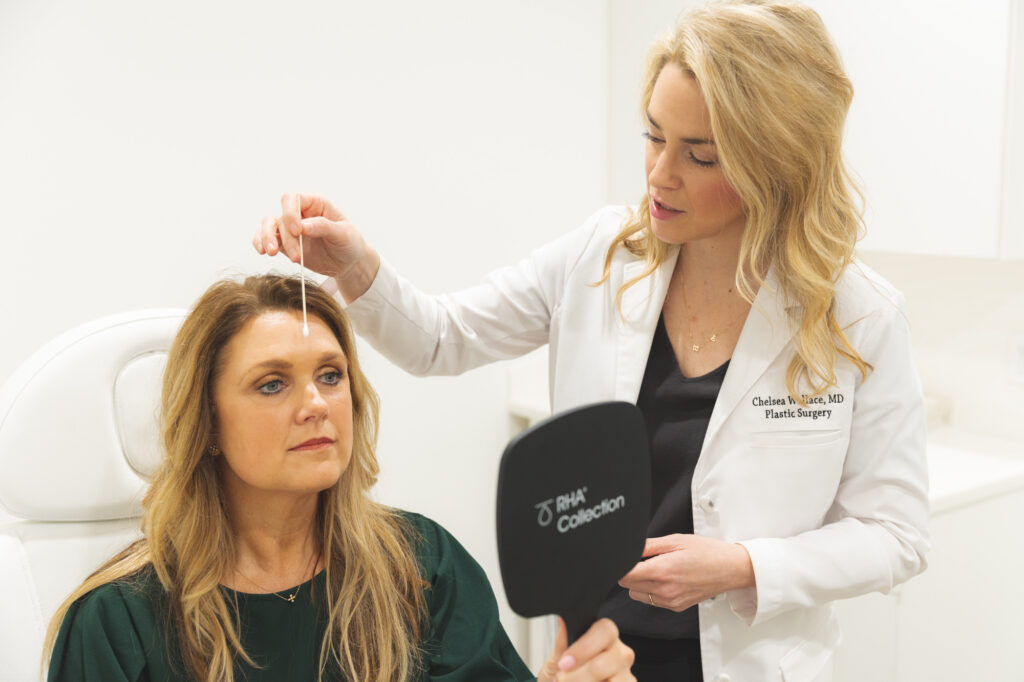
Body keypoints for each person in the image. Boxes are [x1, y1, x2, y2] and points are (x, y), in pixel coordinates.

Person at [254, 1, 930, 680]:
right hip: (598, 658)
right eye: (654, 135)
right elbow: (441, 338)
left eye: (699, 156)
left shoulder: (857, 317)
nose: (660, 174)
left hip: (750, 663)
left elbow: (895, 536)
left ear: (774, 166)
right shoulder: (602, 256)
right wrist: (354, 266)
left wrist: (741, 567)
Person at [44, 274, 636, 682]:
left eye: (331, 375)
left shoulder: (422, 568)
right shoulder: (117, 619)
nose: (316, 404)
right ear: (209, 425)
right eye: (272, 384)